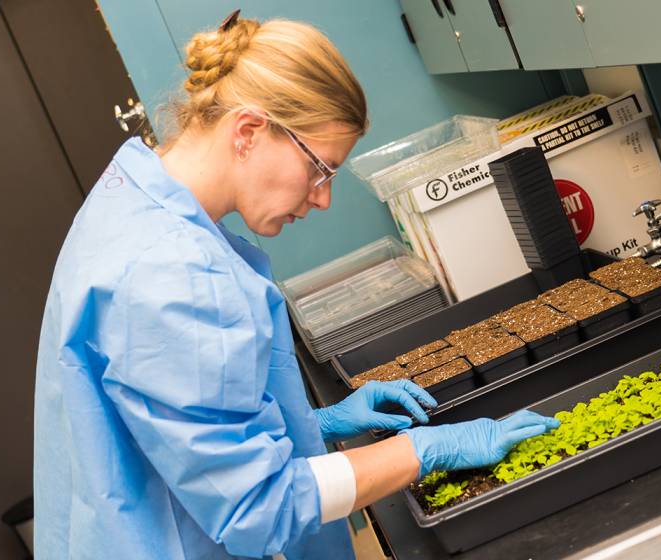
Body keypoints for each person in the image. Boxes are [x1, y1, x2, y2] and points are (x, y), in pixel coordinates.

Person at [33, 11, 559, 560]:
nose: (322, 198)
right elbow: (258, 509)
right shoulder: (174, 275)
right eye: (320, 169)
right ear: (248, 131)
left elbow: (175, 424)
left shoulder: (132, 193)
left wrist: (312, 425)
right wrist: (421, 450)